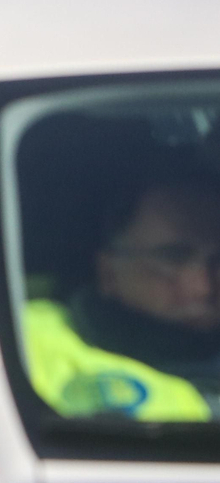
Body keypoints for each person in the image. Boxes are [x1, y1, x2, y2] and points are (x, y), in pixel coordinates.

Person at [25, 165, 220, 421]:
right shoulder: (27, 338)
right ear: (109, 273)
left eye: (217, 261)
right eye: (172, 257)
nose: (203, 287)